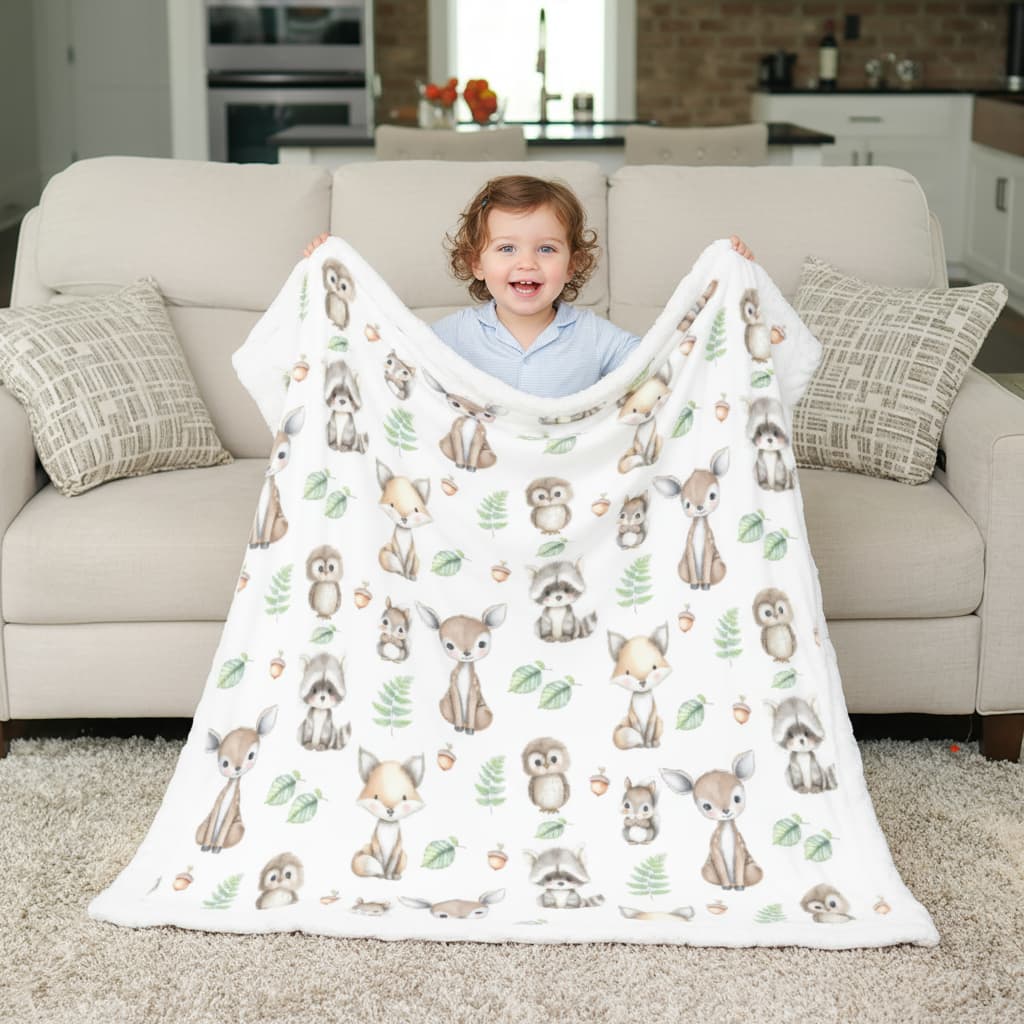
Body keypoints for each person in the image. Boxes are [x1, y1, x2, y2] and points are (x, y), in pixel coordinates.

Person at [303, 174, 754, 398]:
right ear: (475, 264)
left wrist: (725, 284)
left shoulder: (596, 338)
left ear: (573, 264)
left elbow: (668, 361)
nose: (526, 264)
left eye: (546, 249)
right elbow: (388, 362)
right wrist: (334, 273)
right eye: (506, 250)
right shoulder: (452, 336)